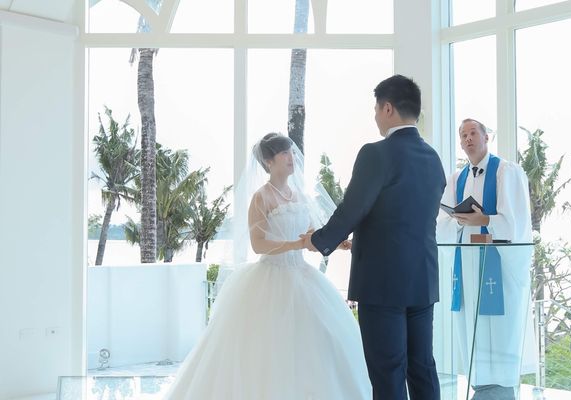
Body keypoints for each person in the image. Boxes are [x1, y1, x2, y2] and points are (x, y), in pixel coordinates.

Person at [164, 133, 372, 399]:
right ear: (268, 162)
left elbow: (311, 235)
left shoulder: (299, 195)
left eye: (291, 152)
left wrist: (337, 242)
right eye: (284, 153)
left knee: (317, 343)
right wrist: (295, 244)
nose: (291, 157)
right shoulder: (261, 198)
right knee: (267, 349)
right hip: (269, 277)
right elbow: (258, 244)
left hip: (303, 277)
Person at [302, 75, 446, 400]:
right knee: (422, 367)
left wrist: (319, 240)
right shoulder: (432, 158)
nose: (376, 116)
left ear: (388, 108)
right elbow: (407, 217)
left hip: (382, 283)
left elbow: (352, 209)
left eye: (377, 109)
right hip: (422, 279)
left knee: (388, 372)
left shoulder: (376, 153)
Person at [440, 118, 535, 400]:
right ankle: (481, 383)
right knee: (473, 323)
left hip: (498, 265)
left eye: (473, 133)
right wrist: (459, 220)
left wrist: (484, 220)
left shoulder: (505, 172)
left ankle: (503, 387)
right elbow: (442, 224)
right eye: (463, 135)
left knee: (500, 326)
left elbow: (516, 222)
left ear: (486, 138)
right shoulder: (456, 179)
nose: (467, 139)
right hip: (469, 264)